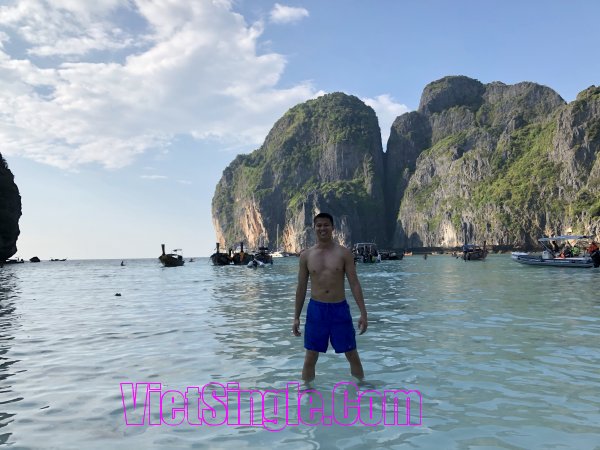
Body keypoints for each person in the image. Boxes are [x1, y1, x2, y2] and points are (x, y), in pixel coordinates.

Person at [292, 212, 368, 383]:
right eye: (319, 225)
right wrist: (296, 317)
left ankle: (361, 387)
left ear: (333, 227)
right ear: (314, 228)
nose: (322, 228)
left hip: (339, 309)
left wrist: (363, 313)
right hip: (316, 310)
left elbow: (354, 284)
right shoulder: (306, 256)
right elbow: (301, 287)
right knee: (311, 355)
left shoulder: (344, 253)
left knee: (351, 353)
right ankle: (307, 391)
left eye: (326, 225)